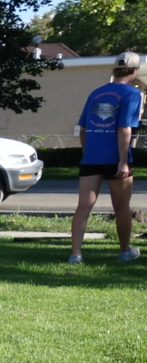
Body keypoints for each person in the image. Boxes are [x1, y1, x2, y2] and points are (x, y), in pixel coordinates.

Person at [69, 51, 142, 265]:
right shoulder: (132, 93)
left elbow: (82, 129)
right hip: (116, 159)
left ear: (114, 69)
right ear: (135, 70)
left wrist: (87, 153)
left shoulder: (96, 93)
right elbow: (124, 128)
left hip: (91, 158)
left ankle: (75, 254)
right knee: (122, 207)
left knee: (83, 207)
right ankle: (124, 251)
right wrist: (122, 160)